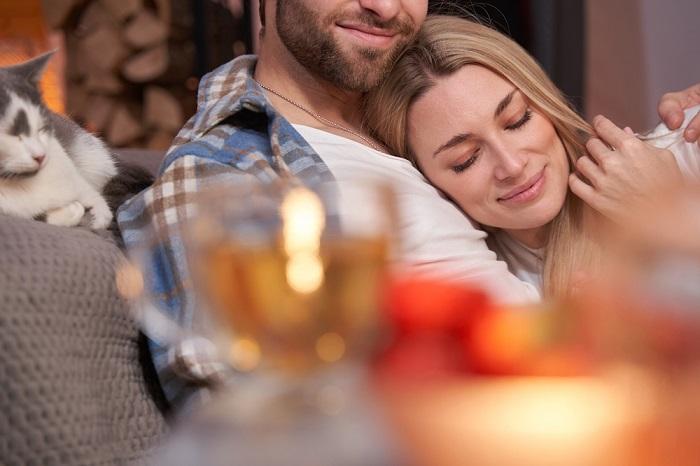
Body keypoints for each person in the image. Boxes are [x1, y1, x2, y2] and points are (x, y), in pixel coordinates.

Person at [117, 1, 699, 413]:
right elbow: (234, 414)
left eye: (518, 119)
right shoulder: (220, 168)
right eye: (463, 161)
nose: (384, 5)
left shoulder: (409, 99)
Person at [363, 14, 700, 299]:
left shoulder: (686, 146)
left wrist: (668, 211)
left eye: (517, 120)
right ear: (427, 181)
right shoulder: (485, 289)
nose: (511, 165)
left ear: (545, 103)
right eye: (466, 159)